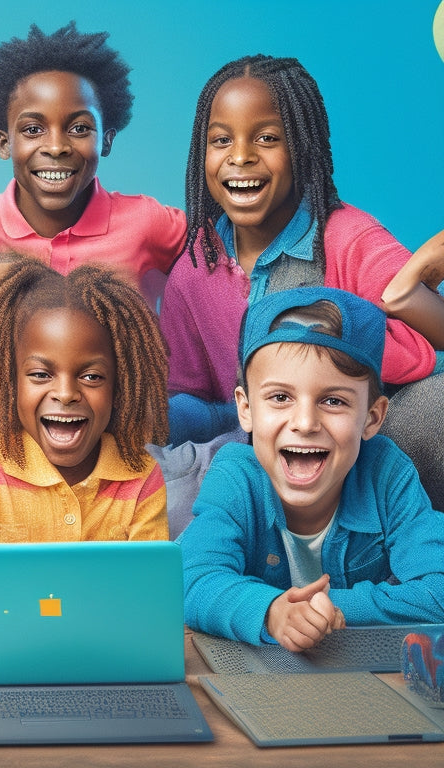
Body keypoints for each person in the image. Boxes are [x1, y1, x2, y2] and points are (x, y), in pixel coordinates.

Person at [160, 54, 444, 508]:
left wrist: (321, 341)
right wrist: (150, 418)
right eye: (221, 140)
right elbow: (197, 396)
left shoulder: (348, 238)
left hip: (359, 437)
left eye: (267, 138)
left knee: (435, 408)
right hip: (268, 444)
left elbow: (417, 353)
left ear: (303, 148)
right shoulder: (194, 271)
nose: (240, 157)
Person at [178, 287, 444, 652]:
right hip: (260, 680)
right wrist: (271, 611)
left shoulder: (386, 473)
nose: (304, 422)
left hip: (359, 675)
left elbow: (438, 589)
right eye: (280, 398)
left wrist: (334, 607)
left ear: (372, 417)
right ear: (246, 410)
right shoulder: (236, 476)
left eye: (333, 401)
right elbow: (191, 579)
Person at [0, 21, 186, 326]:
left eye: (79, 128)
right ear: (4, 143)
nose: (56, 147)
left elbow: (226, 260)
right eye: (33, 129)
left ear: (106, 140)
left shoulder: (148, 223)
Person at [0, 258, 170, 544]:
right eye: (41, 375)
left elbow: (146, 588)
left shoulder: (141, 476)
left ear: (119, 388)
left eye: (92, 377)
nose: (66, 393)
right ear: (11, 382)